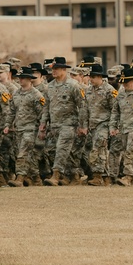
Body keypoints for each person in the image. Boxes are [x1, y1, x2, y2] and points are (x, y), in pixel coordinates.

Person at [39, 57, 88, 186]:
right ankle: (71, 175)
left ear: (63, 69)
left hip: (69, 124)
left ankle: (56, 175)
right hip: (54, 125)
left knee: (61, 150)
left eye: (56, 69)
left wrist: (83, 126)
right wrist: (43, 124)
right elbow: (46, 107)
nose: (53, 71)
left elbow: (82, 106)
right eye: (52, 69)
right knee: (51, 150)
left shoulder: (73, 85)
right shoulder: (49, 87)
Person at [8, 67, 45, 186]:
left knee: (22, 154)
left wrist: (42, 129)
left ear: (29, 79)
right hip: (18, 129)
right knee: (29, 155)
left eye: (23, 78)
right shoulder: (16, 93)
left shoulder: (36, 95)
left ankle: (19, 178)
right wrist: (7, 125)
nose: (20, 80)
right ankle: (36, 178)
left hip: (31, 129)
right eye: (19, 78)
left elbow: (42, 113)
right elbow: (11, 111)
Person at [83, 64, 115, 186]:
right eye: (90, 77)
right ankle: (106, 177)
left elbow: (115, 110)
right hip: (92, 125)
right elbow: (85, 110)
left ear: (100, 77)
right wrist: (84, 125)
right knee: (96, 150)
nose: (91, 79)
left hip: (104, 124)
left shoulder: (109, 90)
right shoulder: (88, 90)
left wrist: (113, 126)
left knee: (98, 149)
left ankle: (97, 176)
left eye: (93, 77)